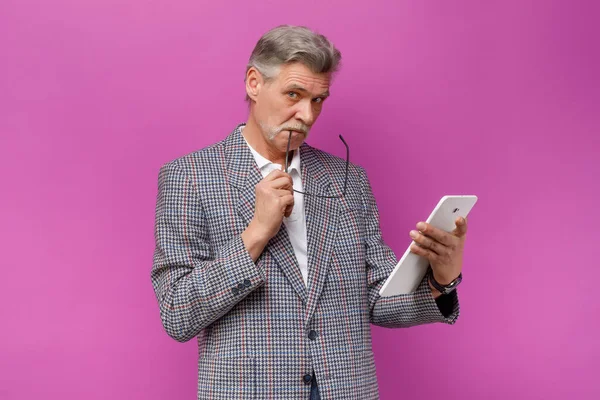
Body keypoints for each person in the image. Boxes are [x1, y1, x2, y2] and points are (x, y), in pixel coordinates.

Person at [151, 24, 468, 400]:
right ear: (254, 83)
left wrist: (441, 282)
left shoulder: (348, 179)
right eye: (293, 94)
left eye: (318, 100)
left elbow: (377, 298)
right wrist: (255, 234)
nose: (306, 114)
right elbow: (177, 313)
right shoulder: (189, 178)